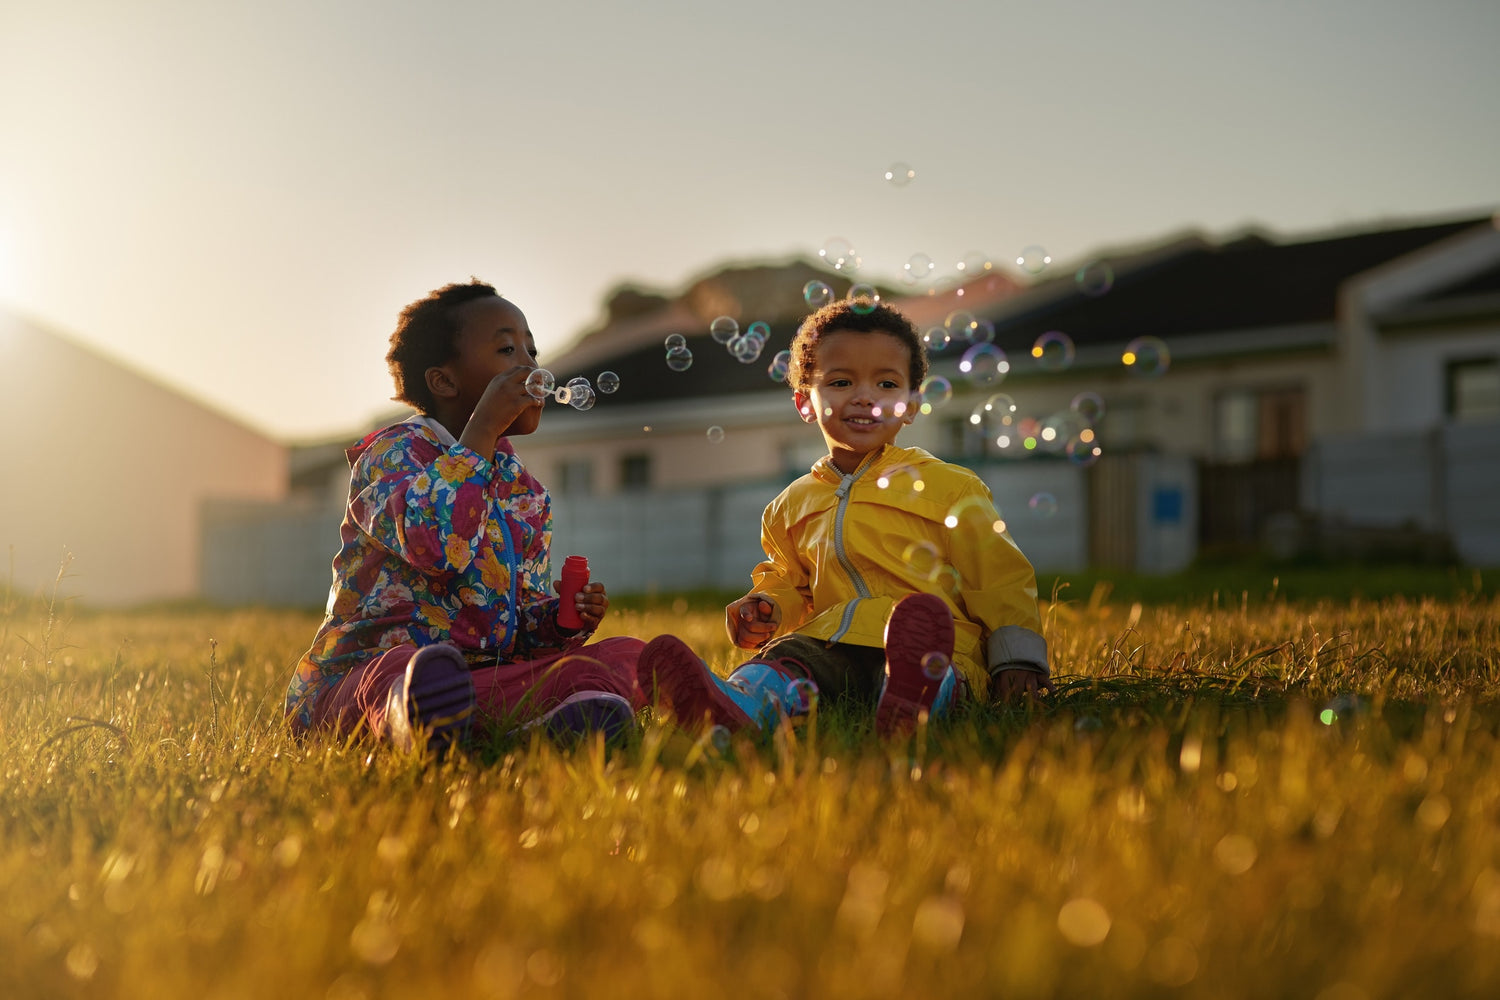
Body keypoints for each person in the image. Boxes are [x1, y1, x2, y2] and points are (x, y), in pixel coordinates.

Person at [638, 297, 1050, 737]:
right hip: (832, 643)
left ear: (912, 404)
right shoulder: (790, 505)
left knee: (935, 664)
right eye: (840, 382)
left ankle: (919, 695)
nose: (864, 397)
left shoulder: (951, 488)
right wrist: (768, 607)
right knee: (785, 661)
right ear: (805, 403)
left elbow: (1000, 579)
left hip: (935, 645)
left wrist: (1017, 658)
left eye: (887, 384)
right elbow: (790, 582)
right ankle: (734, 702)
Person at [284, 279, 650, 752]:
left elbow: (514, 631)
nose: (531, 367)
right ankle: (418, 718)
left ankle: (521, 723)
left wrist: (558, 621)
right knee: (402, 673)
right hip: (362, 678)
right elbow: (436, 548)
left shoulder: (525, 492)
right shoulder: (392, 455)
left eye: (532, 351)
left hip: (480, 680)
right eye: (507, 350)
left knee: (627, 656)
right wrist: (481, 432)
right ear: (445, 382)